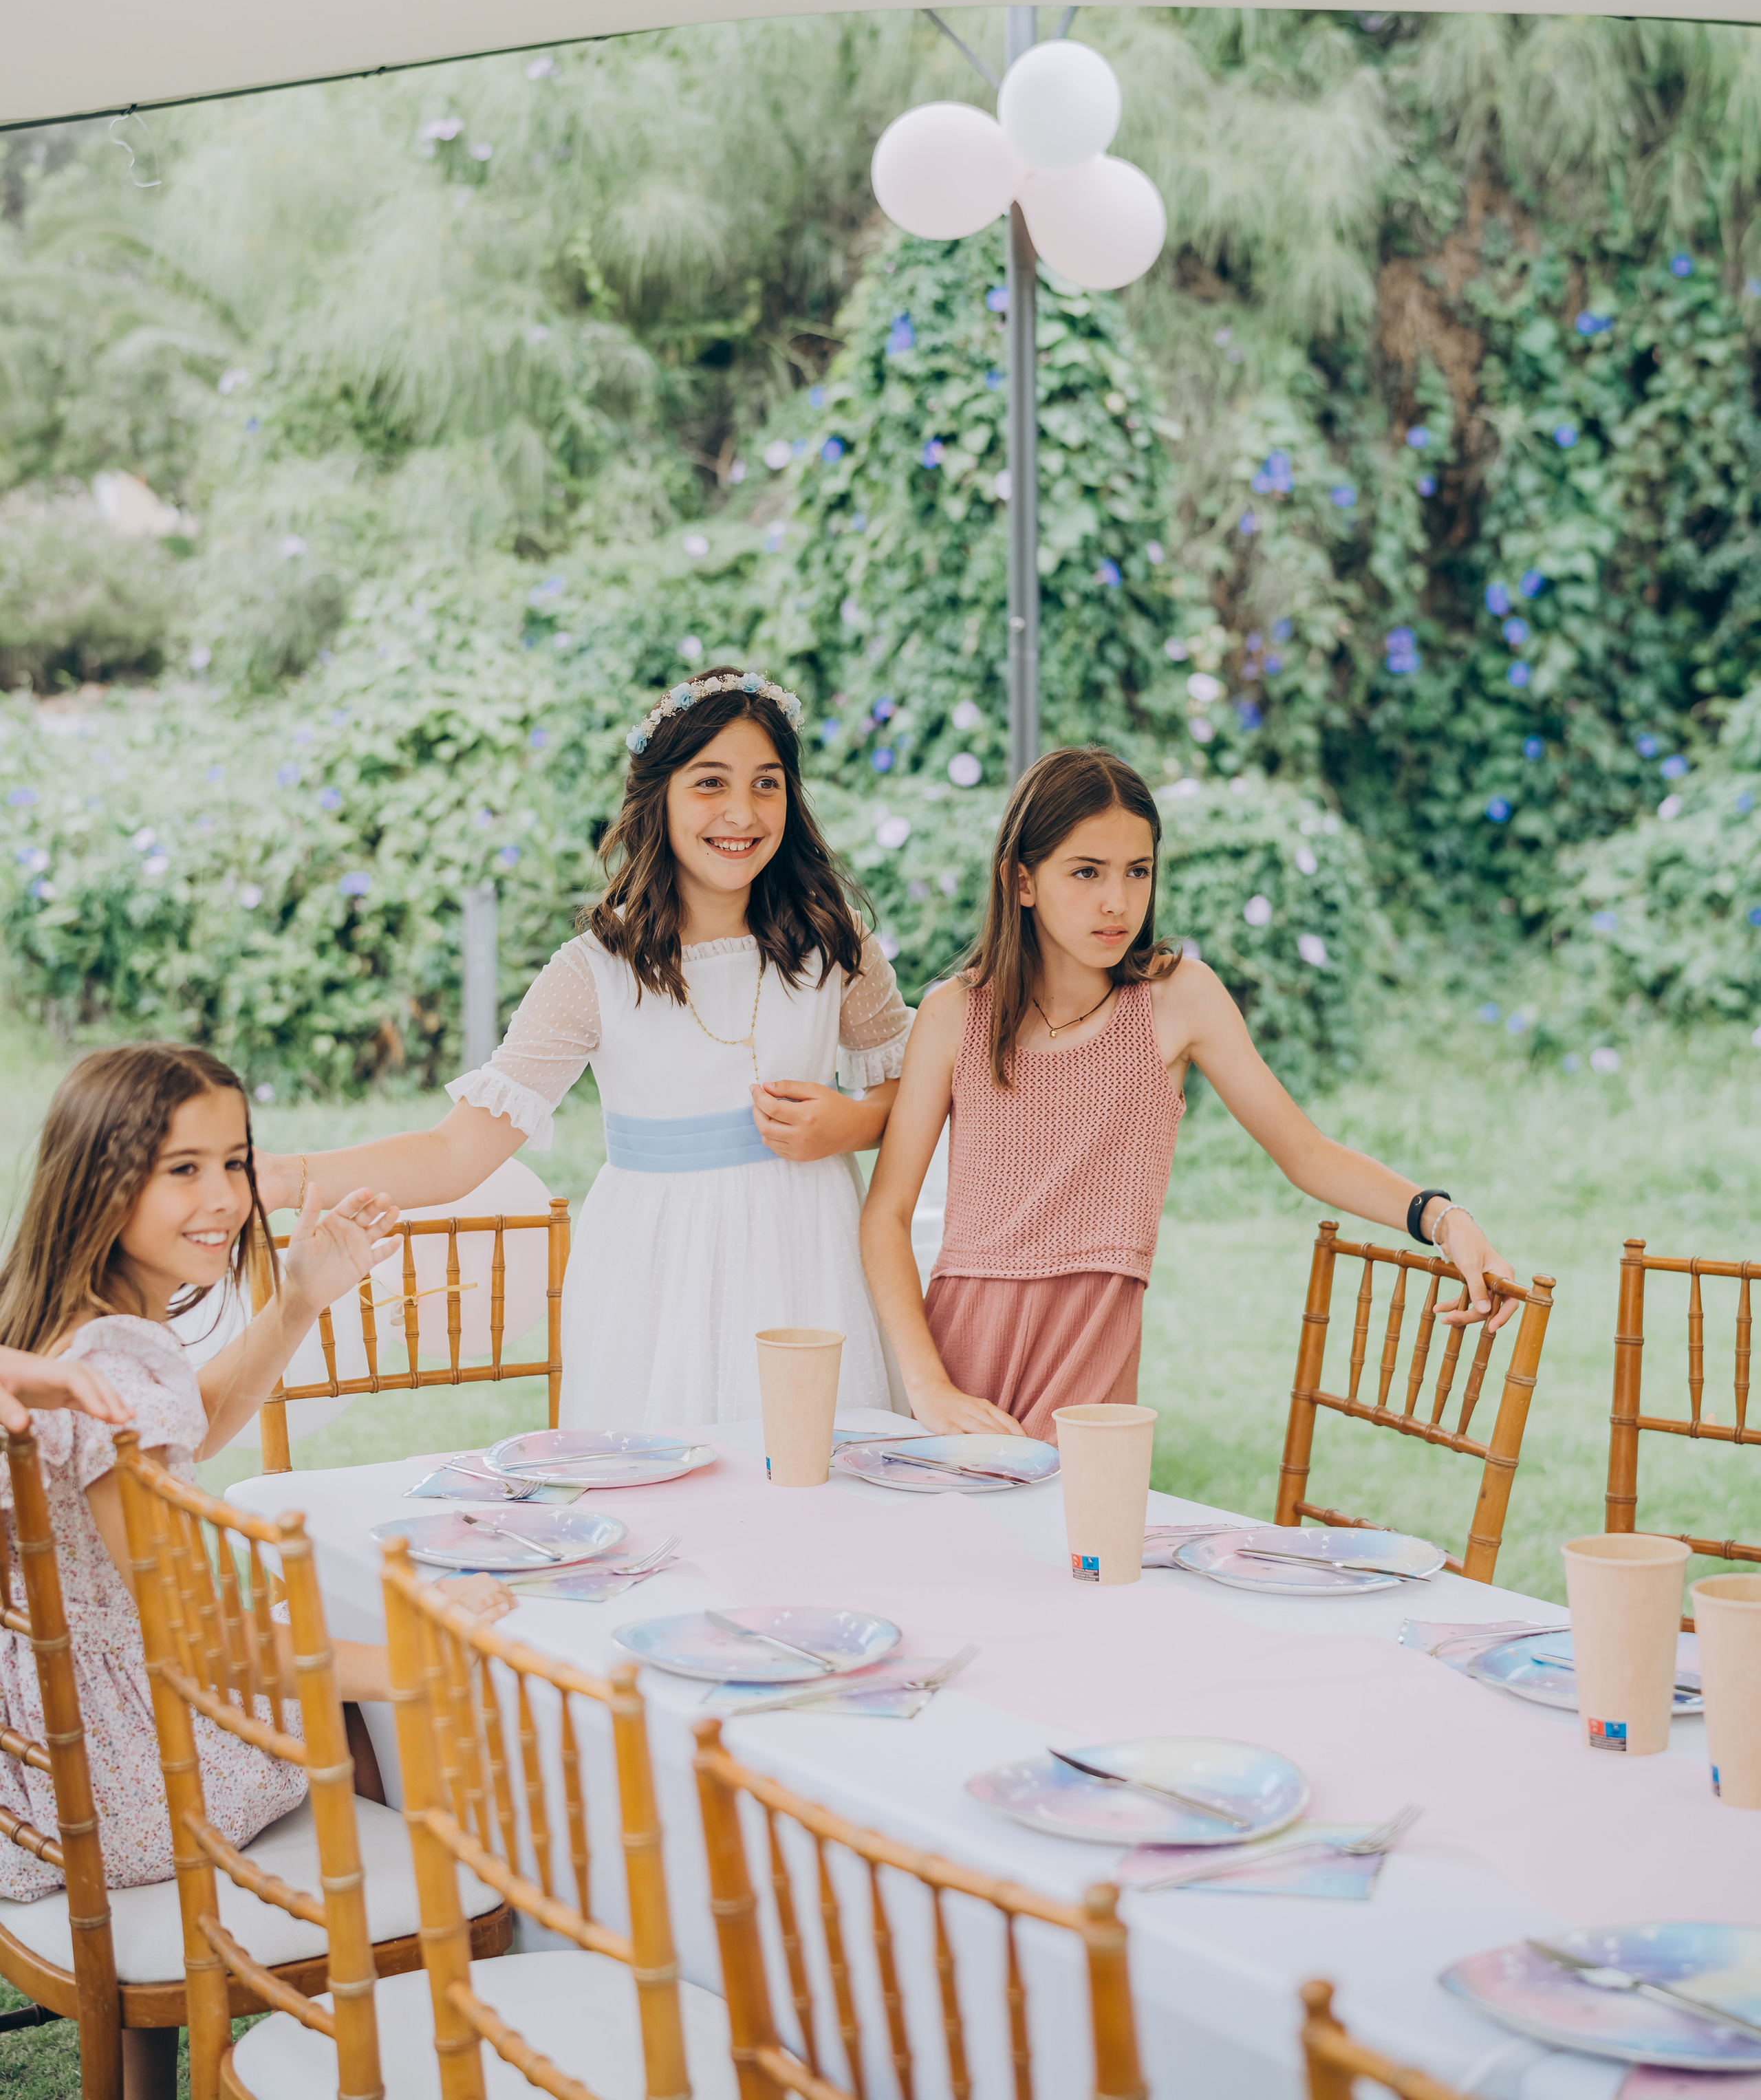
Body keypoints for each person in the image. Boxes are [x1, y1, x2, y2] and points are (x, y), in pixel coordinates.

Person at [0, 1043, 512, 2100]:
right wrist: (422, 1651)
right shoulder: (116, 1366)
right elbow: (204, 1644)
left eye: (235, 1163)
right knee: (359, 1712)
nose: (227, 1198)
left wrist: (298, 1302)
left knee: (318, 1649)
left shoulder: (61, 1335)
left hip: (43, 1773)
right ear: (101, 1179)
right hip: (122, 1791)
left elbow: (184, 1421)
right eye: (182, 1169)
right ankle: (363, 2037)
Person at [257, 667, 913, 1425]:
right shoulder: (594, 972)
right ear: (657, 797)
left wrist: (853, 1123)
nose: (742, 811)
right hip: (657, 1279)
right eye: (710, 783)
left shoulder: (833, 945)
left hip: (814, 1260)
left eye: (767, 784)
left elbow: (915, 1088)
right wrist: (284, 1177)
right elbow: (454, 1153)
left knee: (818, 1464)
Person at [861, 746, 1522, 1441]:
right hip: (961, 1363)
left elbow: (1306, 1153)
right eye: (1086, 872)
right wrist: (928, 1387)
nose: (1118, 901)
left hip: (1089, 1369)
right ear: (1020, 880)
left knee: (1081, 1515)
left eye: (1137, 871)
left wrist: (1443, 1219)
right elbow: (886, 1215)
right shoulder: (955, 1014)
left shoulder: (1178, 1001)